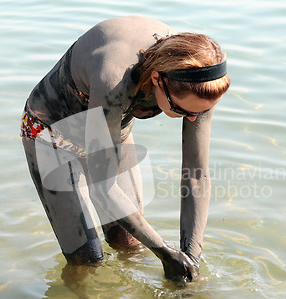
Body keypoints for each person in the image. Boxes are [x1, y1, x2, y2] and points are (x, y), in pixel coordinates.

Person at [21, 15, 230, 282]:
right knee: (86, 260)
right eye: (180, 110)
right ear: (157, 79)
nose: (193, 119)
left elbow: (196, 174)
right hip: (52, 136)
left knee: (130, 243)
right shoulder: (115, 79)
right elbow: (103, 187)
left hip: (110, 135)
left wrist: (190, 257)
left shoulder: (200, 83)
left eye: (200, 113)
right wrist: (164, 252)